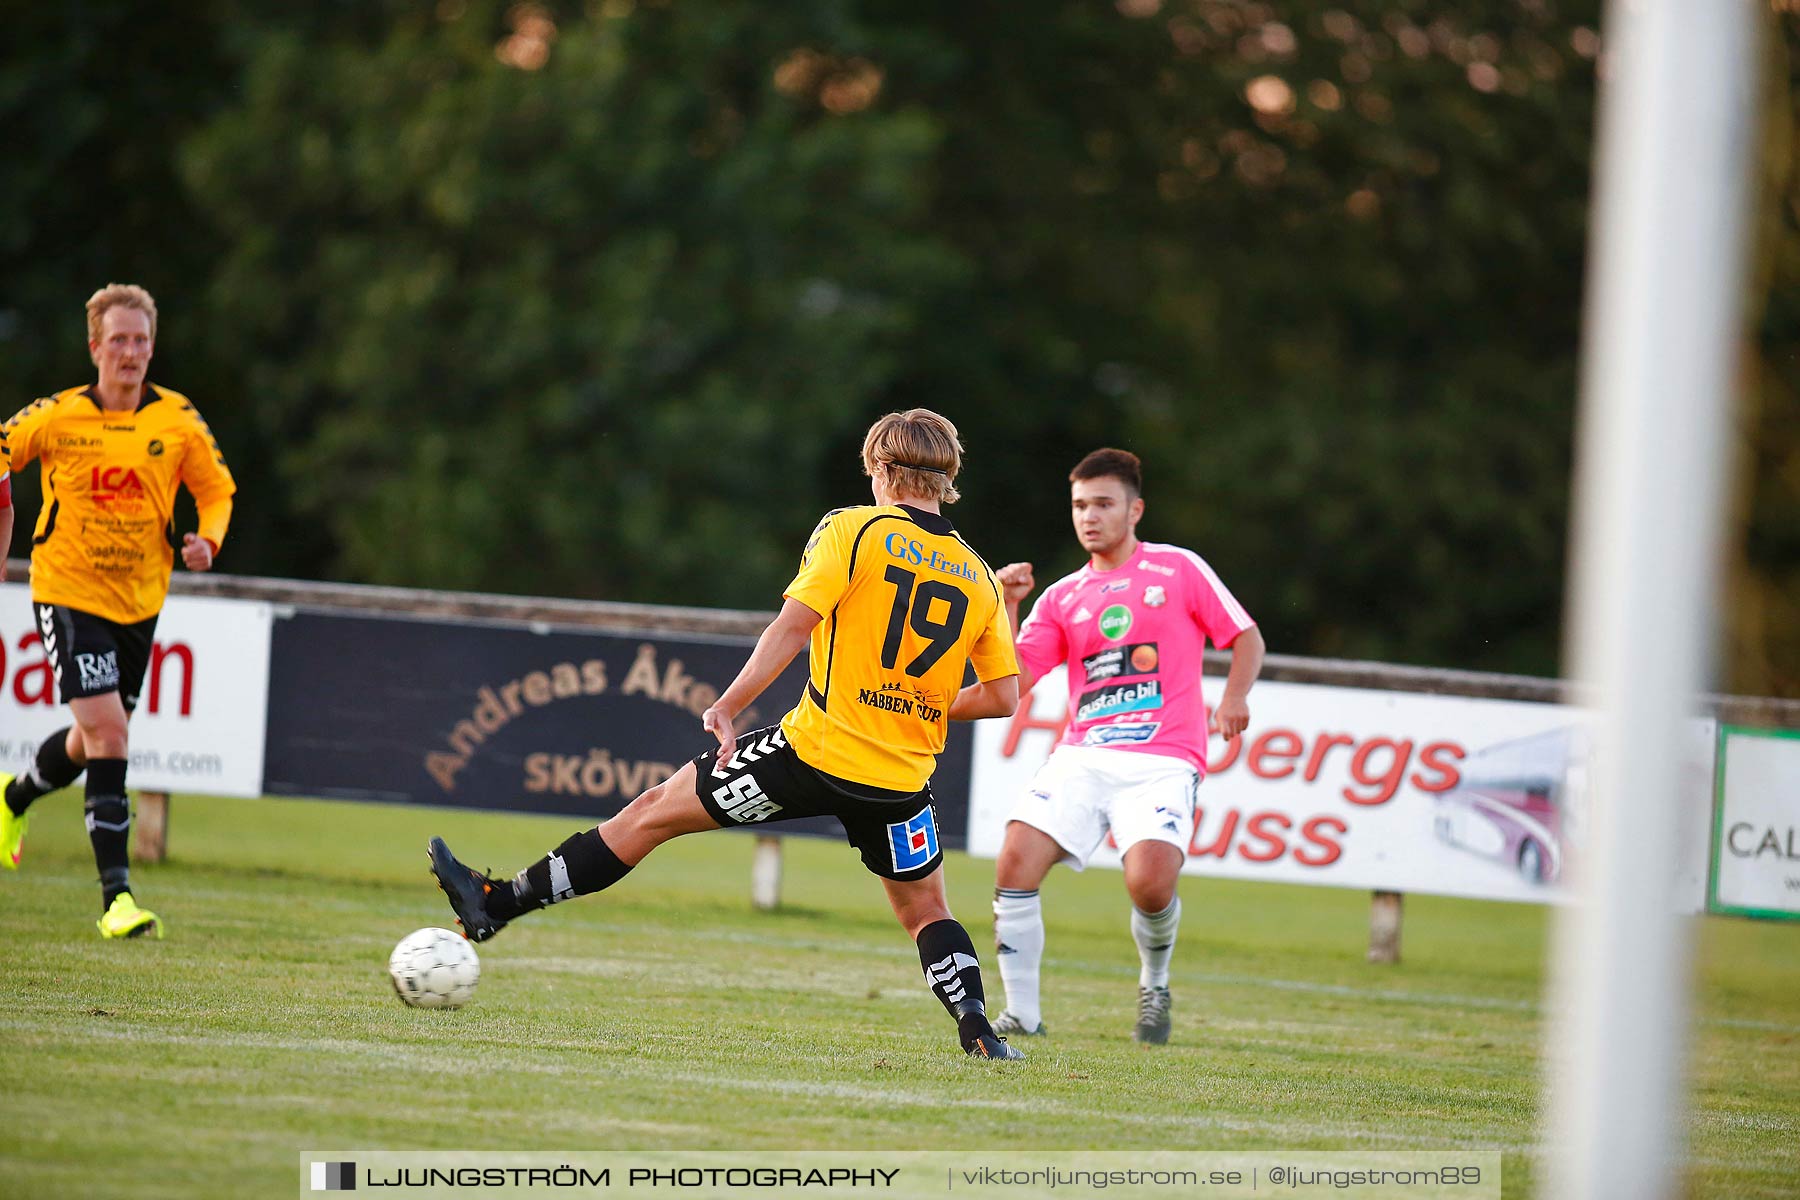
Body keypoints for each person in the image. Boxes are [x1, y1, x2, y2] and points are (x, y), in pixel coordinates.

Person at [429, 409, 1029, 1059]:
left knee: (651, 814)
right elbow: (1002, 697)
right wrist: (923, 704)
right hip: (900, 782)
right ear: (947, 478)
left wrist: (730, 703)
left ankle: (498, 903)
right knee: (928, 914)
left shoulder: (852, 530)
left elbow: (792, 628)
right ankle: (978, 1028)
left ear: (880, 468)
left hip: (813, 753)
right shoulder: (977, 574)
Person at [968, 447, 1263, 1044]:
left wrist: (1234, 697)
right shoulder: (1061, 597)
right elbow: (1015, 681)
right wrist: (1008, 604)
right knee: (1014, 861)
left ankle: (1155, 982)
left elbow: (1246, 637)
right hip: (1083, 754)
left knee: (1150, 885)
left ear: (1136, 510)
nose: (1089, 516)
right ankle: (1022, 1012)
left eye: (1103, 503)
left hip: (1164, 757)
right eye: (1080, 505)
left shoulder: (1178, 570)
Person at [0, 284, 236, 939]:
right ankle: (117, 900)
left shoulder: (177, 420)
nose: (130, 352)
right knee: (110, 736)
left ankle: (12, 798)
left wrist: (206, 539)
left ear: (151, 347)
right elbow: (1, 449)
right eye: (119, 340)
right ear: (94, 346)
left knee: (92, 739)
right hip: (68, 590)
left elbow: (218, 492)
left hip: (140, 602)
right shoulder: (59, 416)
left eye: (140, 340)